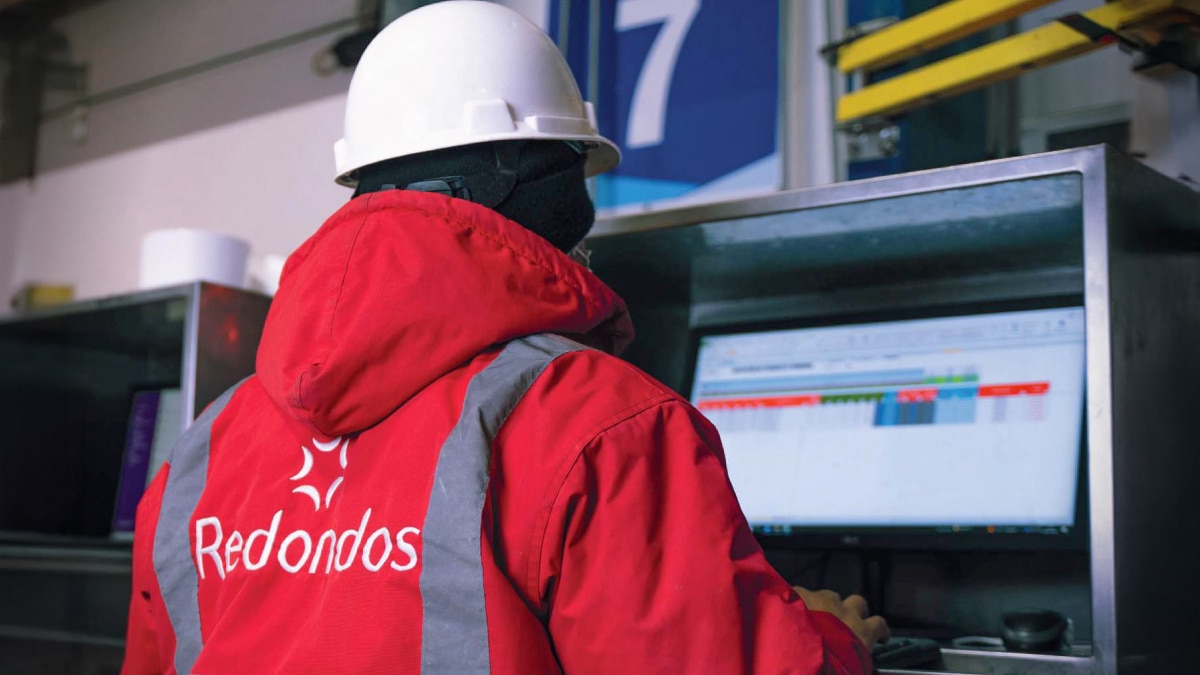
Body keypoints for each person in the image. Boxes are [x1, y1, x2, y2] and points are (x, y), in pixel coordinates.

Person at [120, 2, 888, 673]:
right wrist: (833, 638)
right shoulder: (606, 426)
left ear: (363, 186)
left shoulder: (199, 452)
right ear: (545, 185)